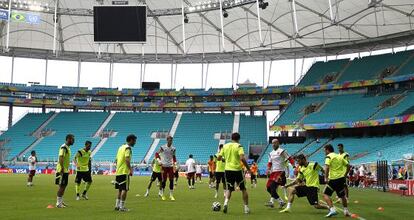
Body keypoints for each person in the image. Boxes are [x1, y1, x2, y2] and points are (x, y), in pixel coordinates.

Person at [217, 132, 251, 214]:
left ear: (231, 138)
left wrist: (226, 160)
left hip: (228, 170)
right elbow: (242, 158)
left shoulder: (225, 146)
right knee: (243, 189)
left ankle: (225, 203)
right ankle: (246, 208)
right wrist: (248, 168)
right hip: (237, 170)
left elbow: (218, 158)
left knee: (229, 189)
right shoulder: (239, 146)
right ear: (238, 139)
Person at [323, 144, 351, 217]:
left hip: (333, 179)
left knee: (325, 194)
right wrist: (345, 175)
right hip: (341, 179)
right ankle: (346, 211)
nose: (324, 152)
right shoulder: (339, 156)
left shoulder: (328, 157)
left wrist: (325, 177)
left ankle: (332, 210)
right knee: (342, 195)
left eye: (324, 150)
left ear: (327, 150)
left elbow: (327, 167)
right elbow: (348, 166)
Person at [265, 139, 294, 209]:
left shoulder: (282, 151)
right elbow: (270, 163)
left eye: (274, 143)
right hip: (273, 172)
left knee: (272, 186)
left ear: (278, 143)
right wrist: (268, 169)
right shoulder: (271, 153)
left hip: (280, 172)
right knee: (268, 187)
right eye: (272, 143)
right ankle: (281, 201)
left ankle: (273, 202)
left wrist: (294, 166)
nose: (273, 144)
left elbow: (290, 158)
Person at [114, 134, 137, 212]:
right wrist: (130, 169)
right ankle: (122, 207)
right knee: (125, 189)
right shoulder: (127, 148)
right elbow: (127, 160)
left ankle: (117, 205)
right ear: (131, 140)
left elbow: (116, 160)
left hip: (118, 171)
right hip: (124, 171)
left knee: (120, 189)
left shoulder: (120, 147)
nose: (135, 143)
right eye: (134, 141)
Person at [55, 134, 75, 208]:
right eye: (72, 139)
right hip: (62, 170)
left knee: (63, 186)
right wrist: (62, 169)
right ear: (68, 139)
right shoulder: (63, 147)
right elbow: (61, 157)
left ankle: (61, 202)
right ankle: (58, 203)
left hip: (65, 170)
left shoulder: (67, 148)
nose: (73, 141)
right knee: (62, 186)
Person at [157, 135, 177, 201]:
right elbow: (156, 154)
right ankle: (162, 194)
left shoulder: (173, 148)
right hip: (164, 166)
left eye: (171, 140)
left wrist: (175, 164)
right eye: (169, 140)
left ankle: (171, 195)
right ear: (167, 140)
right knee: (164, 181)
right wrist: (159, 161)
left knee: (171, 180)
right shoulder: (162, 147)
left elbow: (174, 157)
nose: (171, 141)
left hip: (170, 166)